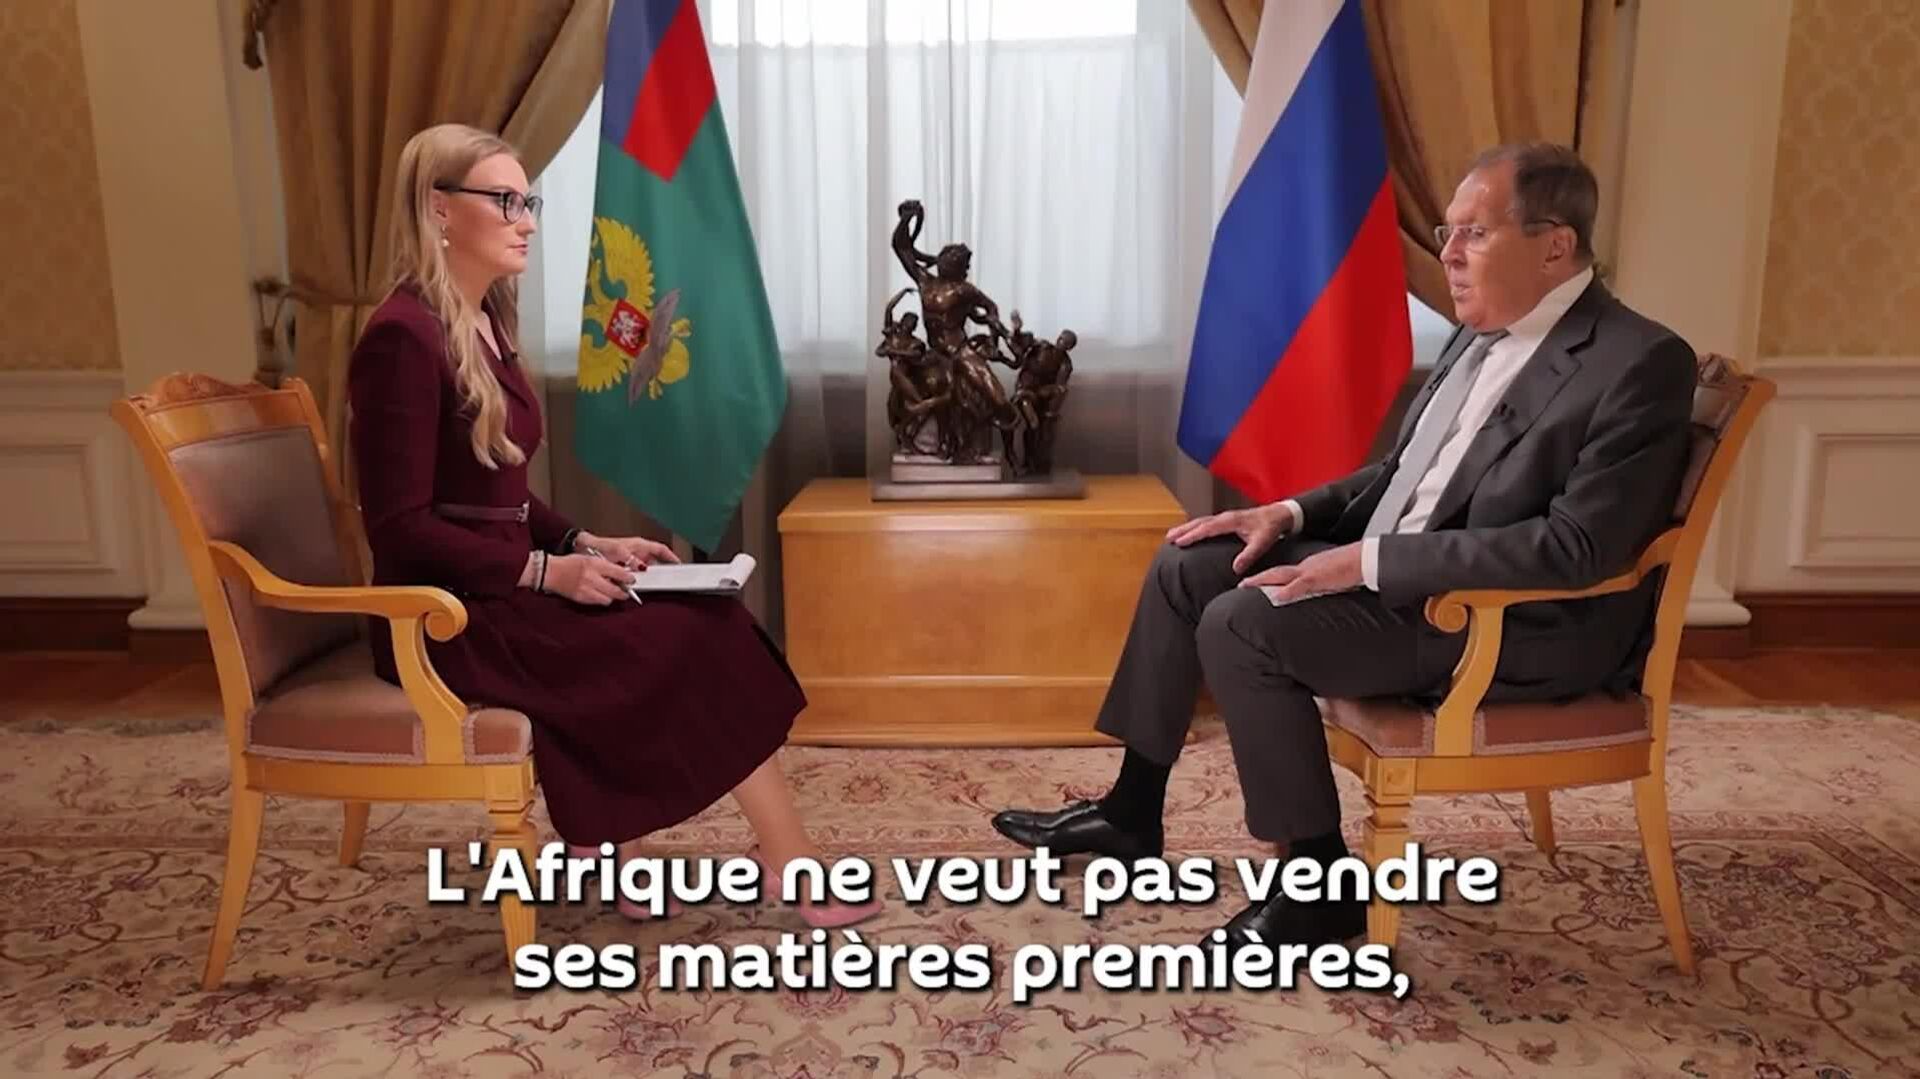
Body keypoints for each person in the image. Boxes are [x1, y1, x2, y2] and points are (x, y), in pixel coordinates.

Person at [991, 143, 1698, 951]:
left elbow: (1578, 547)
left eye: (1474, 233)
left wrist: (1364, 562)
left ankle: (1318, 887)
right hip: (1409, 577)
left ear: (1555, 245)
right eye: (1447, 231)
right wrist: (1288, 515)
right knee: (1189, 564)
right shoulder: (1479, 331)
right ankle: (1131, 812)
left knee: (1243, 623)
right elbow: (1404, 474)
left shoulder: (1638, 361)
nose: (1448, 254)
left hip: (1508, 624)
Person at [347, 123, 879, 929]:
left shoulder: (482, 320)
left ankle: (638, 853)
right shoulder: (401, 336)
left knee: (697, 613)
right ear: (439, 209)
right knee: (680, 639)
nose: (526, 221)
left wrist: (581, 542)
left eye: (528, 201)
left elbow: (499, 495)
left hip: (498, 592)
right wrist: (543, 572)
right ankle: (787, 863)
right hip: (442, 621)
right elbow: (400, 529)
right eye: (503, 201)